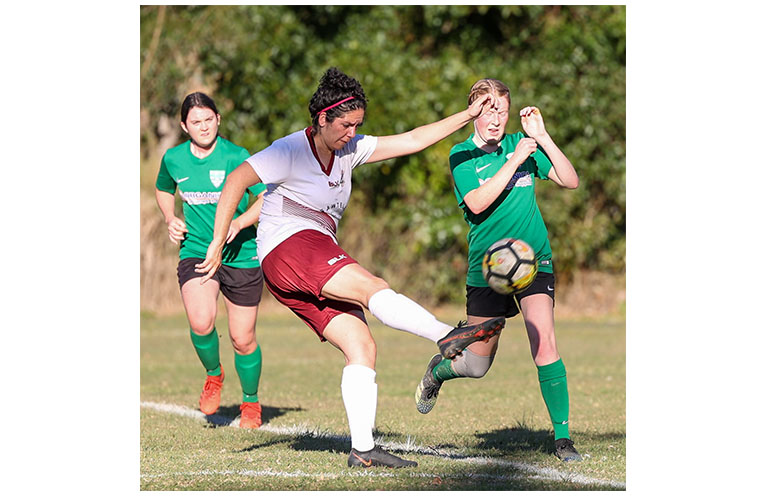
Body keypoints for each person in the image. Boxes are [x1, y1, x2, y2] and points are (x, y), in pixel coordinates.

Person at [195, 68, 505, 468]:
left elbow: (412, 140)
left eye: (358, 125)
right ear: (322, 118)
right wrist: (218, 240)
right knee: (371, 286)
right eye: (346, 125)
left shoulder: (349, 148)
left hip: (303, 257)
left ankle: (363, 450)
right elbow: (237, 179)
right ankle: (446, 336)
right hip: (290, 246)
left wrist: (467, 115)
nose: (352, 133)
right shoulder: (289, 149)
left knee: (361, 344)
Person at [413, 78, 583, 462]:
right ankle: (437, 373)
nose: (496, 120)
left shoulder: (521, 144)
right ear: (474, 111)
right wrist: (514, 161)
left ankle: (562, 438)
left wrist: (543, 137)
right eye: (488, 112)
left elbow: (570, 181)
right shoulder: (461, 155)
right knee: (476, 366)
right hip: (488, 270)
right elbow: (477, 203)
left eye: (502, 112)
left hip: (533, 261)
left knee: (545, 343)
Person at [155, 92, 267, 429]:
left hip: (240, 254)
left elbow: (266, 198)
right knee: (202, 321)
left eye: (208, 119)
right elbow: (163, 189)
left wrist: (239, 222)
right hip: (197, 251)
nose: (203, 127)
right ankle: (214, 374)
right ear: (184, 126)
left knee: (242, 338)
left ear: (218, 119)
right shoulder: (174, 159)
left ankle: (251, 403)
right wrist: (170, 217)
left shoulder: (237, 157)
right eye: (195, 122)